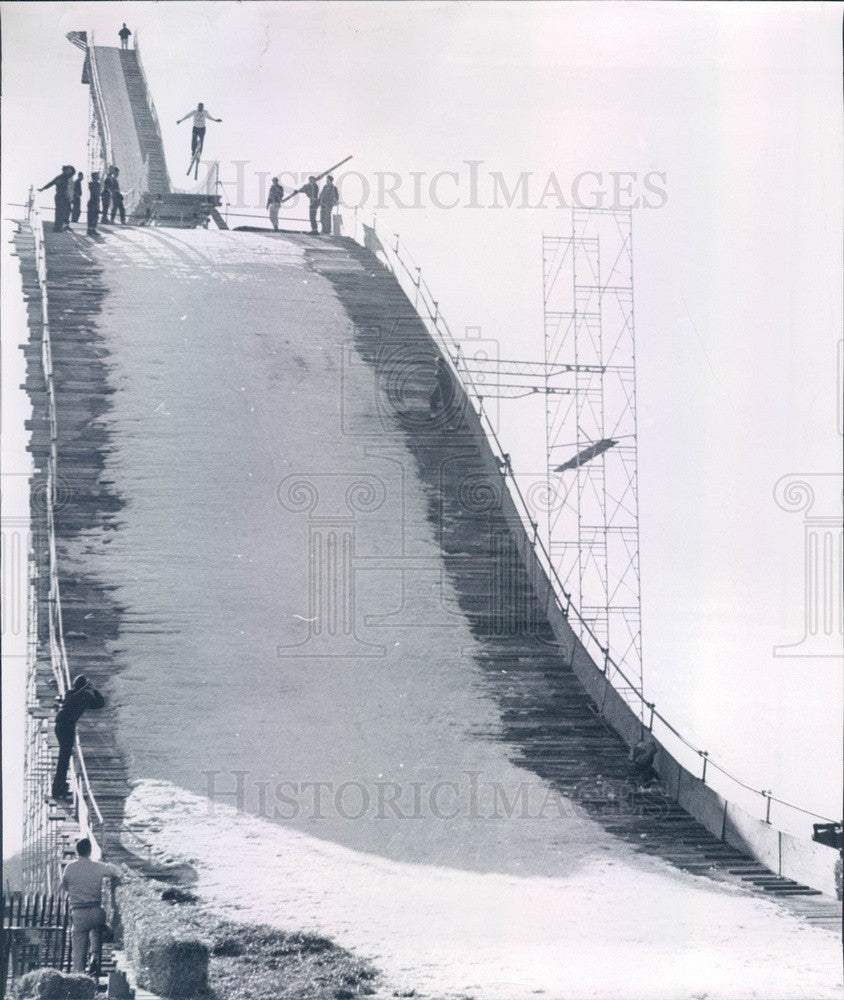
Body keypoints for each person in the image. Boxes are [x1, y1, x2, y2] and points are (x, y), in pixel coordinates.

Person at [61, 837, 120, 976]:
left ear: (77, 851)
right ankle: (94, 957)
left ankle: (79, 973)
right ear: (90, 851)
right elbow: (113, 872)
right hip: (95, 909)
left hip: (79, 911)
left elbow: (65, 886)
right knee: (96, 931)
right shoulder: (97, 866)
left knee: (78, 946)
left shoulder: (70, 867)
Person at [51, 674, 105, 801]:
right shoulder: (84, 696)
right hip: (67, 727)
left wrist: (87, 687)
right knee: (63, 759)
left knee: (63, 758)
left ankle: (60, 788)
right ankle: (58, 789)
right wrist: (94, 689)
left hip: (60, 726)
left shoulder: (71, 693)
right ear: (85, 686)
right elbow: (99, 704)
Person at [39, 165, 75, 232]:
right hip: (60, 196)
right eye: (68, 170)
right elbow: (51, 183)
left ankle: (59, 227)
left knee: (63, 213)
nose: (69, 171)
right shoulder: (60, 177)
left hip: (65, 197)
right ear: (65, 170)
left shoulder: (67, 177)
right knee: (60, 212)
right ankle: (57, 228)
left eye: (70, 170)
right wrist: (43, 188)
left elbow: (68, 189)